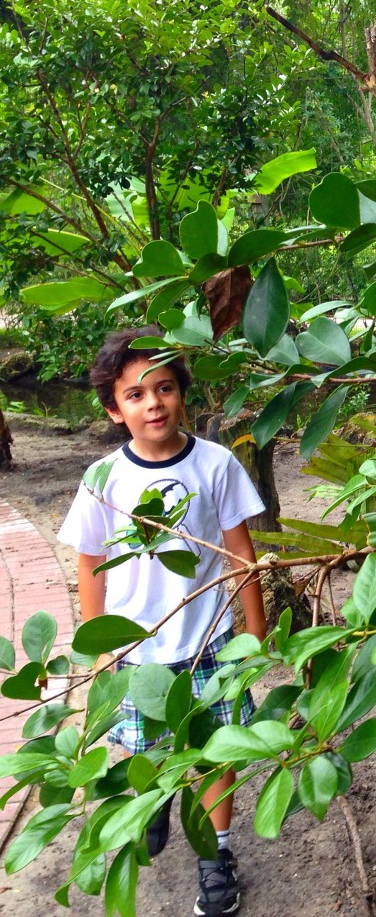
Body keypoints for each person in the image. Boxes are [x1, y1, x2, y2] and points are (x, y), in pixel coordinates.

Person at [58, 325, 267, 917]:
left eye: (165, 387)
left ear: (183, 394)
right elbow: (90, 562)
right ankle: (149, 804)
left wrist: (253, 631)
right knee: (138, 743)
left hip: (208, 641)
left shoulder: (217, 463)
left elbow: (240, 552)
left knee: (214, 752)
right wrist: (99, 648)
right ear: (113, 408)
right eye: (135, 394)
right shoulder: (103, 480)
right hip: (136, 651)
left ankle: (215, 855)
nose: (153, 403)